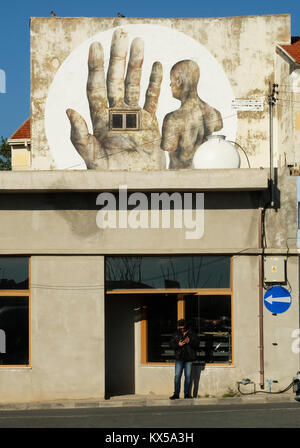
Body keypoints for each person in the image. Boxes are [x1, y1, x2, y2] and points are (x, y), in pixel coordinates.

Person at [161, 59, 223, 169]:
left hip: (179, 178)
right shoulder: (215, 114)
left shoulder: (172, 119)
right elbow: (219, 126)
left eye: (171, 80)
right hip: (204, 173)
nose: (170, 85)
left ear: (179, 81)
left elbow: (167, 145)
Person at [169, 319, 200, 399]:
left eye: (183, 328)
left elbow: (197, 344)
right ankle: (176, 394)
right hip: (179, 358)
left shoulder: (192, 333)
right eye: (180, 328)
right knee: (177, 376)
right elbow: (171, 345)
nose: (182, 329)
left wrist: (190, 341)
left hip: (189, 359)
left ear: (186, 326)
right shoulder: (176, 333)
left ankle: (186, 394)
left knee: (188, 377)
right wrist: (178, 344)